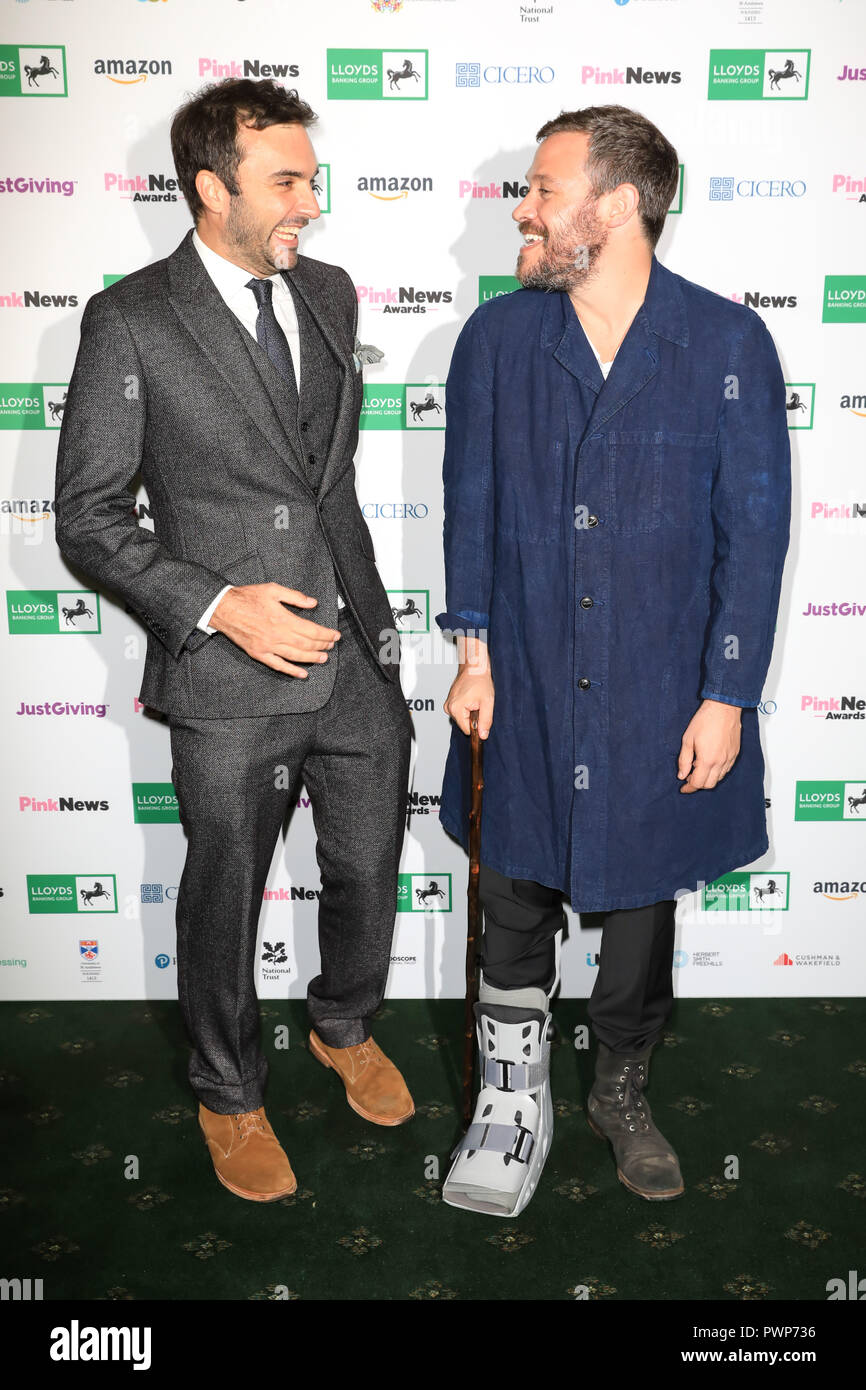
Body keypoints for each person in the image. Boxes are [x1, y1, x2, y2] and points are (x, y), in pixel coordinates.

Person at [55, 78, 414, 1204]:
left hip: (352, 652)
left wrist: (377, 623)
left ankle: (343, 1023)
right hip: (230, 670)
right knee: (226, 891)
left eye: (311, 174)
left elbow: (326, 482)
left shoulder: (332, 293)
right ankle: (227, 1090)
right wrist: (218, 605)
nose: (311, 198)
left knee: (365, 867)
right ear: (212, 190)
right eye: (286, 180)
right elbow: (90, 518)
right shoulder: (131, 319)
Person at [435, 104, 790, 1217]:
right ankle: (512, 1095)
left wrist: (726, 694)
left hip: (657, 681)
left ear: (618, 204)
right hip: (527, 671)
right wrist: (474, 648)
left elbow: (755, 531)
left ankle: (621, 1088)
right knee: (510, 890)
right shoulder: (497, 340)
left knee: (639, 911)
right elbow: (469, 508)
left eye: (542, 188)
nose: (521, 207)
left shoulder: (725, 344)